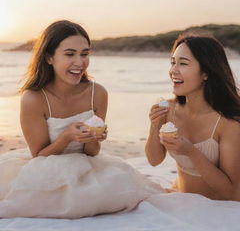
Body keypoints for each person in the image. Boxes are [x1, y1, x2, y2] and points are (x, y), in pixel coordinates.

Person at [0, 20, 162, 218]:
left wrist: (93, 138)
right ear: (49, 57)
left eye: (85, 54)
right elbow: (39, 156)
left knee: (120, 189)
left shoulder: (98, 93)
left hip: (86, 165)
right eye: (70, 54)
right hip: (45, 167)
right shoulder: (33, 99)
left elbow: (92, 153)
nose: (80, 62)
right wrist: (67, 137)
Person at [145, 33, 240, 206]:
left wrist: (191, 151)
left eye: (182, 63)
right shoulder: (169, 109)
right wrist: (155, 125)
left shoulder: (231, 123)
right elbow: (154, 160)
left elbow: (228, 191)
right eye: (173, 62)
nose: (173, 70)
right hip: (187, 203)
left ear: (206, 72)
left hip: (234, 208)